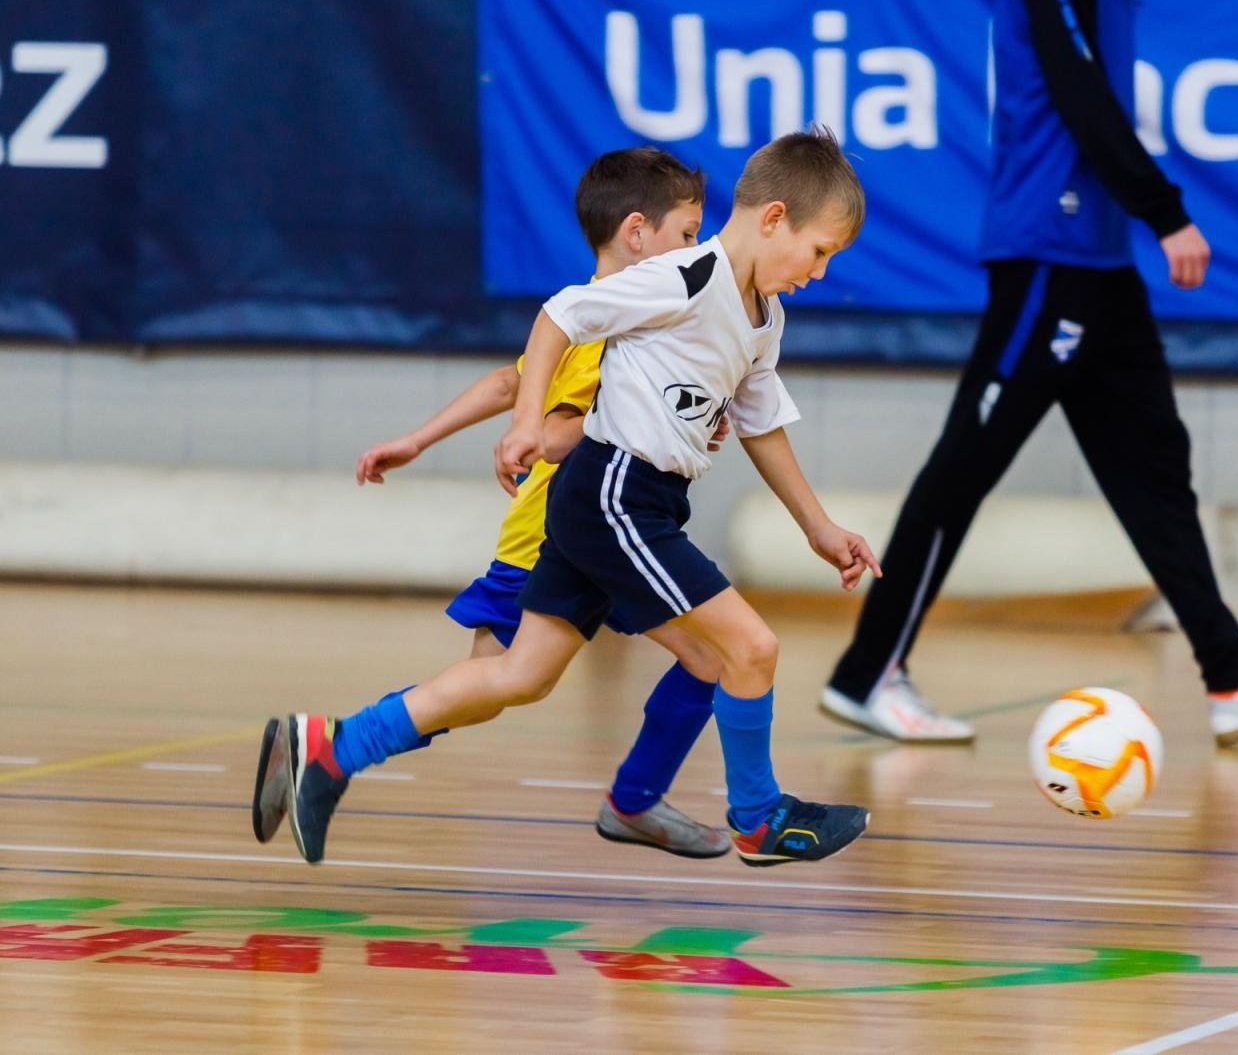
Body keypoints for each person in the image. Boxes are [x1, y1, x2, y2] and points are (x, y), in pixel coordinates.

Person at [271, 127, 881, 868]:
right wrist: (529, 419)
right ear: (774, 217)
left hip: (626, 501)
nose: (820, 272)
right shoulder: (687, 276)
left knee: (521, 676)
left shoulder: (764, 317)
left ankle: (332, 749)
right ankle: (756, 818)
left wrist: (818, 527)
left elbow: (760, 424)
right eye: (819, 252)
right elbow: (562, 314)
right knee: (749, 646)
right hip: (616, 496)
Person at [820, 0, 1238, 747]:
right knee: (965, 465)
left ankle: (1231, 676)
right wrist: (1164, 210)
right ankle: (868, 672)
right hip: (1050, 250)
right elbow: (1080, 91)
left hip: (1101, 264)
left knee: (1155, 475)